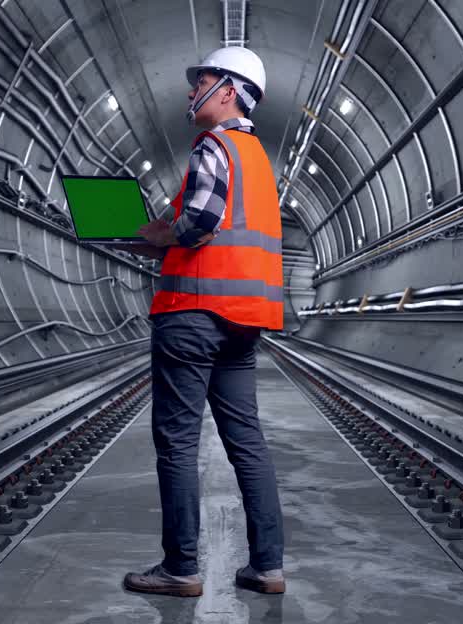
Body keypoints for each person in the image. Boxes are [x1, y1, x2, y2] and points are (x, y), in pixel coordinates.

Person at [117, 46, 287, 597]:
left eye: (203, 81)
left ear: (229, 91)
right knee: (247, 442)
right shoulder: (257, 159)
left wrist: (158, 235)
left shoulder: (214, 145)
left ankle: (181, 568)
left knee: (177, 442)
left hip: (192, 315)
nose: (192, 91)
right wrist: (158, 240)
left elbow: (200, 224)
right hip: (242, 322)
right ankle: (267, 567)